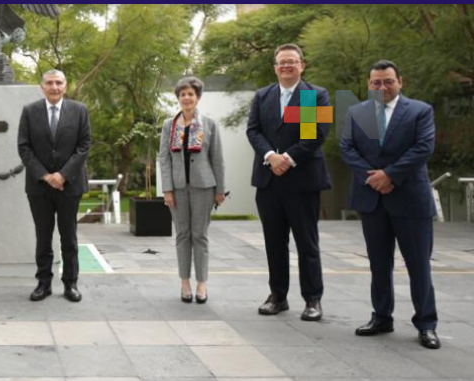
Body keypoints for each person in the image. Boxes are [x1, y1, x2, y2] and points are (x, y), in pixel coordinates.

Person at [341, 60, 440, 349]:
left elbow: (424, 147)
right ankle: (381, 317)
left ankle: (426, 323)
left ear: (400, 81)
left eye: (387, 81)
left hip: (410, 199)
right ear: (369, 84)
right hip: (372, 199)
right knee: (379, 264)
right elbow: (348, 148)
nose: (382, 87)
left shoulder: (420, 111)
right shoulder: (357, 112)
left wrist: (390, 175)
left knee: (419, 265)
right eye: (376, 83)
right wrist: (373, 178)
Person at [246, 43, 331, 321]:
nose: (286, 66)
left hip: (302, 181)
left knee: (307, 243)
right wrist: (271, 156)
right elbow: (254, 131)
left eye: (292, 61)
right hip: (269, 181)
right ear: (275, 67)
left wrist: (288, 159)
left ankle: (312, 299)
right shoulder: (262, 96)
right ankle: (278, 296)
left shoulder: (314, 95)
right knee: (274, 243)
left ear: (302, 65)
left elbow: (315, 134)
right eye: (282, 62)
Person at [17, 69, 92, 302]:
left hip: (70, 186)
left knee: (69, 237)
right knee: (43, 237)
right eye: (49, 83)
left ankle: (70, 284)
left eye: (59, 83)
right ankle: (43, 283)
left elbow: (84, 145)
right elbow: (24, 147)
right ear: (42, 87)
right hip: (39, 187)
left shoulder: (79, 110)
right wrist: (46, 175)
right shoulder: (30, 111)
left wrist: (63, 175)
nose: (54, 87)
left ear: (65, 86)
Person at [158, 76, 225, 304]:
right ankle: (184, 281)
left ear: (198, 98)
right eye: (183, 94)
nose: (187, 98)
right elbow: (164, 158)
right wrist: (166, 188)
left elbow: (217, 159)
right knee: (182, 235)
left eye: (191, 94)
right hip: (177, 188)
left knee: (200, 235)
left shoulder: (209, 124)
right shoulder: (170, 125)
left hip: (204, 186)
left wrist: (220, 190)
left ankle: (202, 283)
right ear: (178, 98)